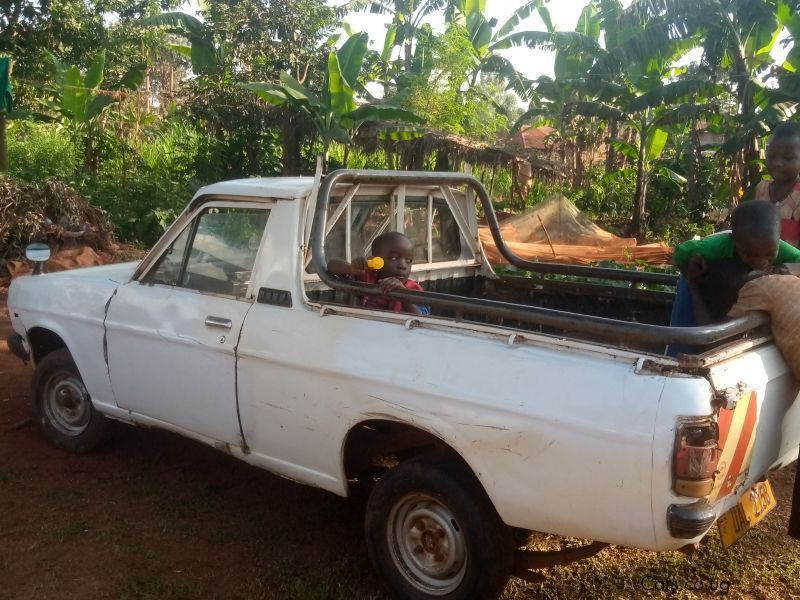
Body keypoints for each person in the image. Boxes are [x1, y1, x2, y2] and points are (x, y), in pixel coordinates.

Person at [669, 201, 800, 336]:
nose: (761, 262)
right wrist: (693, 281)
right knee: (684, 323)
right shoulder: (713, 248)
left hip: (737, 280)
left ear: (778, 241)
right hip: (699, 276)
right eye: (751, 254)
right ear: (733, 241)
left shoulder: (779, 248)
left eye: (769, 254)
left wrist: (795, 268)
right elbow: (681, 253)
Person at [327, 232, 431, 316]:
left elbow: (421, 320)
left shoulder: (413, 290)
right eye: (394, 258)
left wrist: (403, 295)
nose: (403, 265)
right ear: (376, 260)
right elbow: (331, 266)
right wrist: (350, 268)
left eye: (409, 260)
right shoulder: (366, 277)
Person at [750, 121, 800, 247]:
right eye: (771, 156)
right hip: (760, 262)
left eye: (787, 157)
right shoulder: (761, 188)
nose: (777, 163)